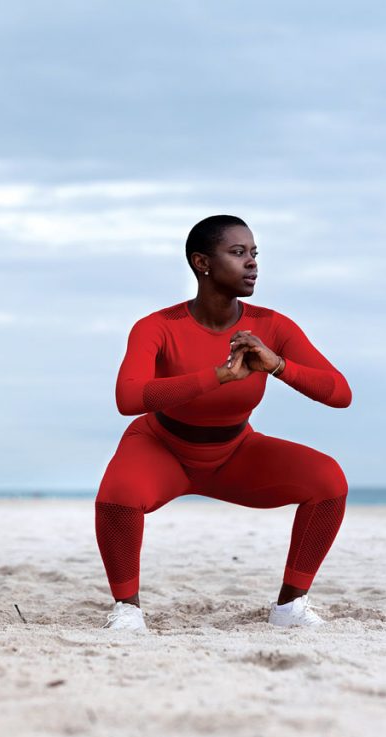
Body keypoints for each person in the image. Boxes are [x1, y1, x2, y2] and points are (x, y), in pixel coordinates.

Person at [96, 215, 352, 631]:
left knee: (328, 480)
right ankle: (127, 610)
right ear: (202, 263)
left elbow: (340, 393)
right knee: (117, 497)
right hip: (162, 448)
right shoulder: (156, 327)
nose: (252, 263)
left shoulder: (272, 326)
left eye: (254, 254)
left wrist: (279, 365)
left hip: (235, 452)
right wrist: (217, 376)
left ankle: (289, 608)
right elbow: (128, 398)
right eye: (238, 253)